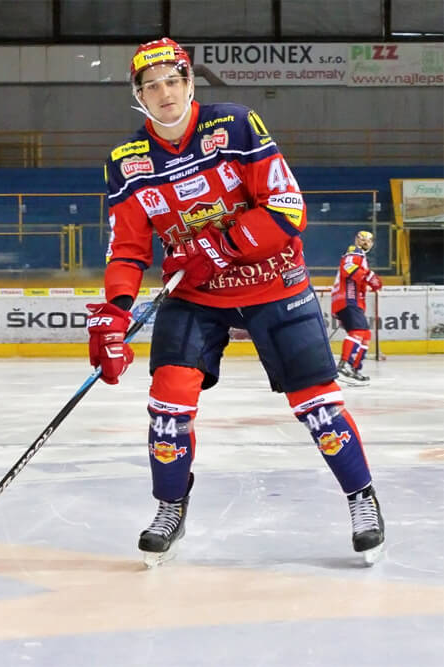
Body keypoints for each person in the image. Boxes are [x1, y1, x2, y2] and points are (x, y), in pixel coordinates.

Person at [86, 37, 385, 567]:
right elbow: (127, 248)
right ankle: (170, 507)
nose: (164, 93)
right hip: (194, 293)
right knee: (168, 405)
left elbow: (287, 208)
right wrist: (114, 312)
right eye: (151, 86)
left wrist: (221, 246)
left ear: (189, 84)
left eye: (173, 81)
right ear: (138, 96)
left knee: (317, 404)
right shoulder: (126, 161)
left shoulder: (236, 125)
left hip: (275, 284)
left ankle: (361, 498)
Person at [331, 231, 383, 386]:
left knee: (365, 334)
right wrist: (369, 276)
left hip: (352, 300)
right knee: (358, 332)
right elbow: (348, 268)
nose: (366, 242)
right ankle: (344, 365)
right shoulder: (355, 251)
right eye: (364, 239)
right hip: (348, 298)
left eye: (369, 240)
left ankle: (354, 368)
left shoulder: (361, 255)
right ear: (358, 240)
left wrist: (368, 278)